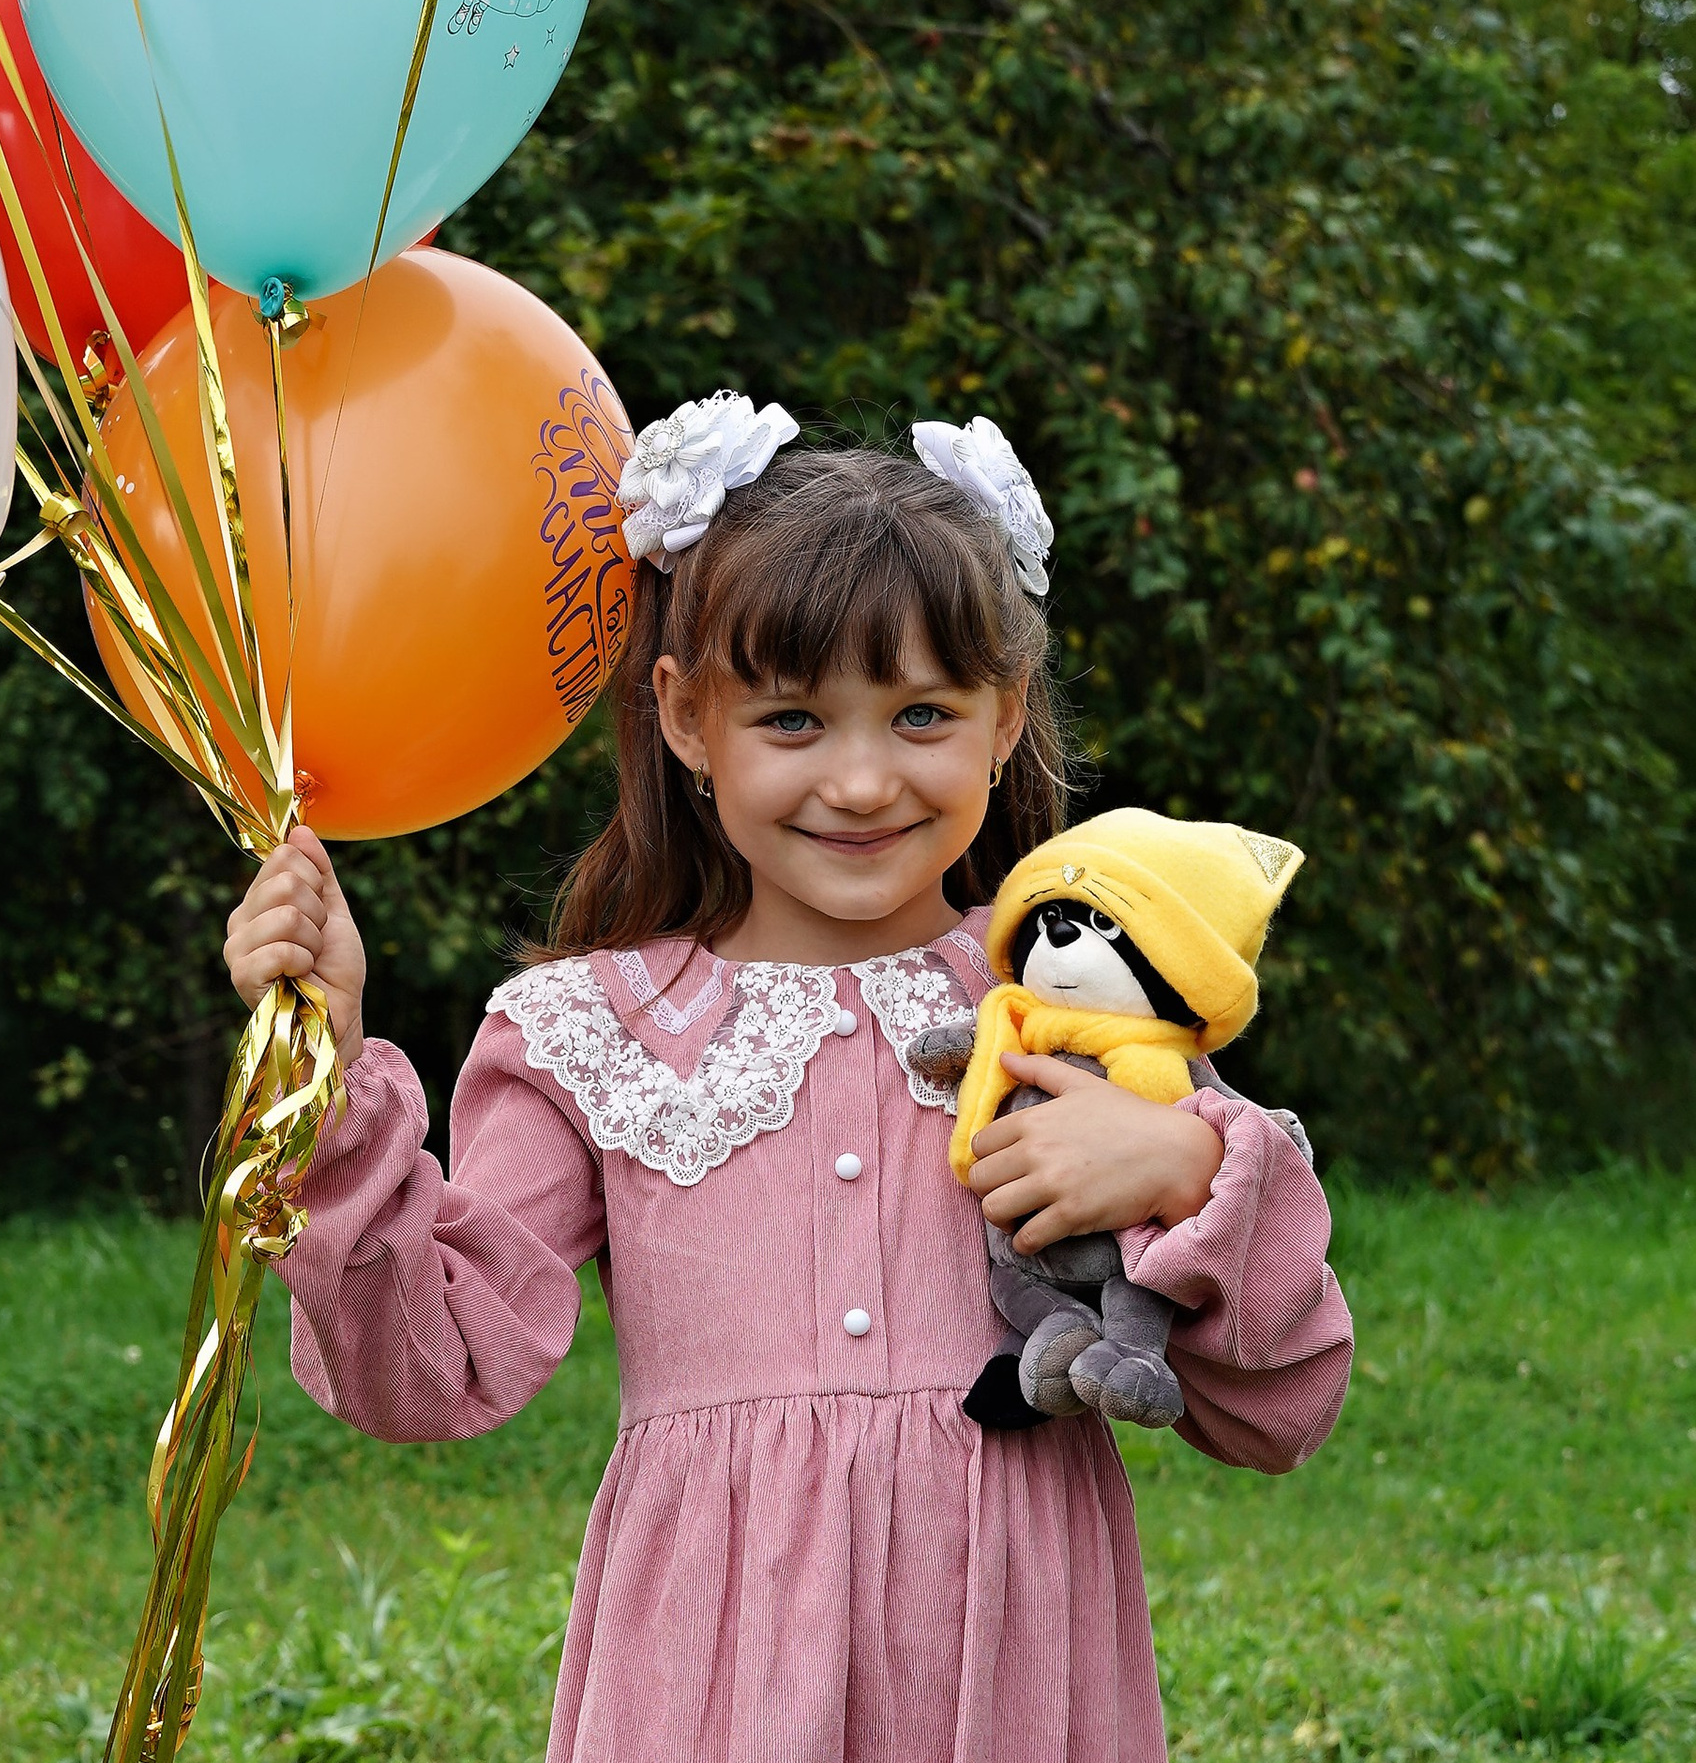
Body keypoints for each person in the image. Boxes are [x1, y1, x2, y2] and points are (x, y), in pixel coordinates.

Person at [224, 397, 1352, 1763]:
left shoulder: (1077, 1014)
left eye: (923, 712)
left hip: (1006, 1665)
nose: (865, 779)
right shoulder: (589, 1033)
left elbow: (1283, 1409)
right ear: (690, 718)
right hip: (717, 1674)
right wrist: (328, 1078)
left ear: (1005, 719)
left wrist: (1184, 1174)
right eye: (794, 720)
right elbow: (430, 1372)